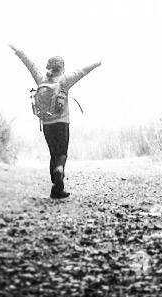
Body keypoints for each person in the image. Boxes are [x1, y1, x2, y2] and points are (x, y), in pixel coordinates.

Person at [8, 45, 102, 198]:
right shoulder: (65, 81)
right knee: (62, 154)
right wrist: (97, 63)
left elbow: (29, 64)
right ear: (62, 68)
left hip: (46, 124)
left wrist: (18, 51)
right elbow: (82, 72)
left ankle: (57, 189)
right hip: (61, 123)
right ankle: (59, 170)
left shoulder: (41, 79)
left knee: (53, 153)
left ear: (49, 67)